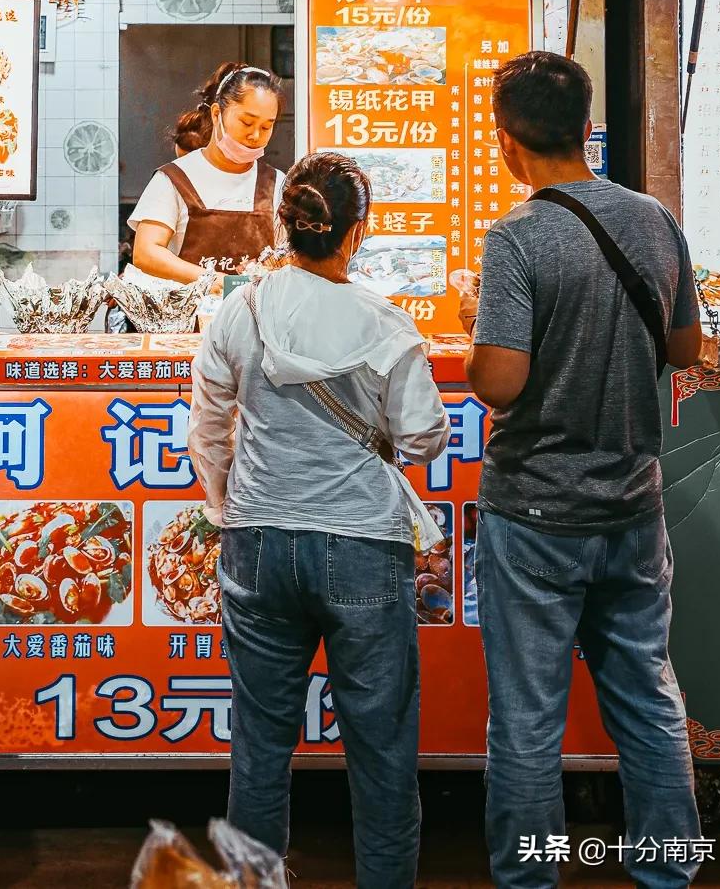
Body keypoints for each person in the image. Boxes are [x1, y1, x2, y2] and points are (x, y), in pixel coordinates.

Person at [455, 52, 704, 889]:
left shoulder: (517, 237)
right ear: (585, 128)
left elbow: (500, 382)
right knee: (650, 702)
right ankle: (669, 874)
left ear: (506, 141)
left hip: (534, 515)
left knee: (527, 722)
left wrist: (473, 329)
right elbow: (685, 349)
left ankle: (530, 879)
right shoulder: (654, 219)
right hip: (633, 507)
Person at [188, 152, 451, 889]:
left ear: (284, 223)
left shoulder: (239, 312)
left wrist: (225, 506)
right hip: (363, 545)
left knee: (261, 749)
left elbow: (208, 430)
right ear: (355, 234)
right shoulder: (386, 323)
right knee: (383, 752)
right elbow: (426, 435)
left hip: (258, 544)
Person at [128, 62, 285, 288]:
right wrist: (217, 282)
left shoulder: (276, 184)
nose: (255, 135)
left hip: (254, 320)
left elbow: (290, 256)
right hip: (188, 321)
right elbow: (146, 253)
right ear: (216, 114)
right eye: (246, 122)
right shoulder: (174, 178)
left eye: (267, 126)